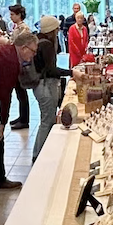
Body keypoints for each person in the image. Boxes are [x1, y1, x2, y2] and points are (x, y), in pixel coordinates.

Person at [0, 32, 38, 190]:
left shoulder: (6, 51)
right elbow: (5, 92)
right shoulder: (11, 60)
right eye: (32, 51)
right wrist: (3, 122)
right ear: (24, 48)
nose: (33, 55)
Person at [31, 15, 71, 161]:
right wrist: (72, 72)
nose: (59, 30)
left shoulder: (38, 41)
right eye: (57, 28)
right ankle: (39, 155)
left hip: (40, 85)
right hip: (46, 85)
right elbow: (51, 70)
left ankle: (40, 153)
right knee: (47, 121)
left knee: (46, 120)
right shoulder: (46, 44)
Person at [8, 3, 32, 130]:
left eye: (12, 14)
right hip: (16, 61)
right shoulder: (18, 27)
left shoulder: (23, 29)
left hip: (20, 62)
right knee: (19, 92)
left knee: (21, 91)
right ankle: (22, 116)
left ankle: (24, 120)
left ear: (19, 15)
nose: (10, 16)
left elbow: (19, 45)